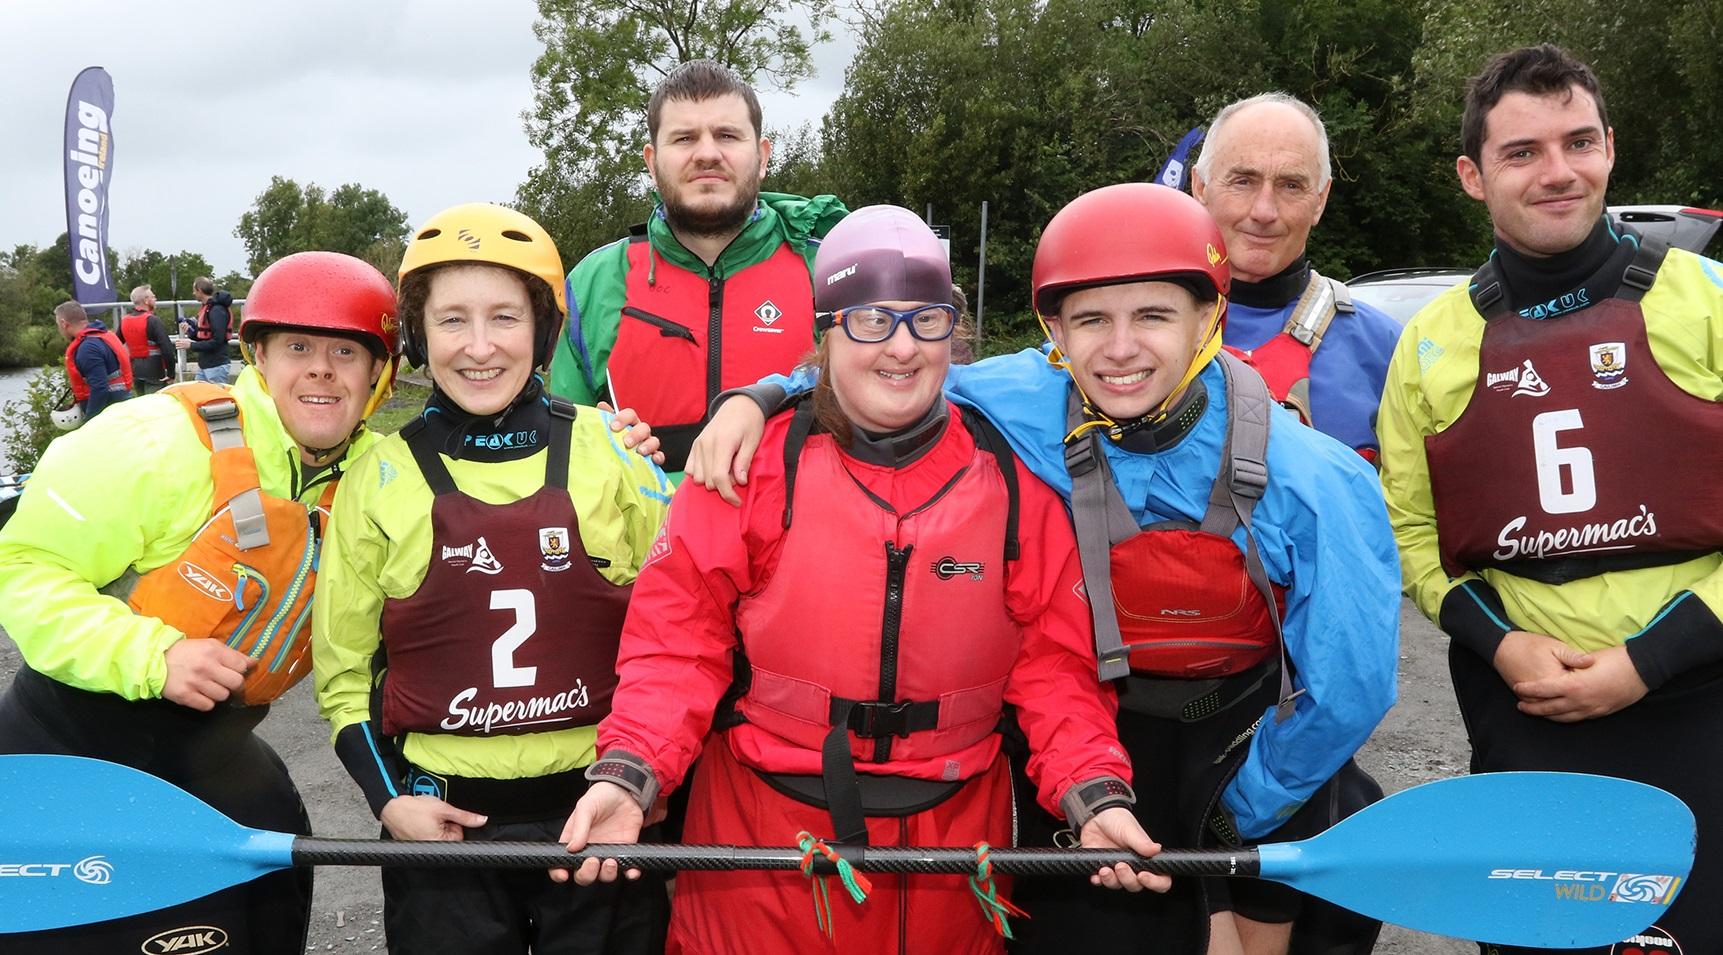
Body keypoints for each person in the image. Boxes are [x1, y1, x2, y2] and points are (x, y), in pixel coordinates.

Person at [687, 185, 1400, 955]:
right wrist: (755, 398)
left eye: (1153, 316)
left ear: (1208, 318)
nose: (1119, 349)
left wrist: (1240, 811)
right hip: (1101, 721)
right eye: (1092, 320)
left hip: (1250, 740)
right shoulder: (1027, 396)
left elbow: (1348, 685)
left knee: (1272, 935)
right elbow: (891, 371)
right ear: (1055, 332)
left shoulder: (1317, 480)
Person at [558, 205, 1165, 955]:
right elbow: (675, 645)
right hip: (762, 839)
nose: (902, 347)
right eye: (871, 320)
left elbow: (1056, 672)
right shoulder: (749, 467)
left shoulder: (1015, 477)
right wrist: (629, 773)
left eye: (927, 320)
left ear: (955, 332)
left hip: (952, 848)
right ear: (827, 334)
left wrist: (1092, 791)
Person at [1377, 44, 1723, 955]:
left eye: (1578, 142)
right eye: (1522, 151)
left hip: (1703, 704)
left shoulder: (1708, 300)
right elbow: (1410, 534)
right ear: (1471, 174)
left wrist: (1652, 658)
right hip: (1526, 715)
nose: (1558, 171)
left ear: (1609, 145)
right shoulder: (1427, 344)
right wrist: (1503, 643)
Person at [0, 251, 400, 953]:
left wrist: (618, 446)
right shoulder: (159, 440)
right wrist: (154, 653)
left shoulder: (385, 479)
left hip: (214, 757)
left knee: (272, 894)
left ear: (377, 377)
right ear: (259, 356)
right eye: (298, 348)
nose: (320, 369)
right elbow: (23, 565)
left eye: (346, 351)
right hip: (65, 749)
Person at [313, 202, 672, 955]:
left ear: (541, 330)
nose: (479, 346)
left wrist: (644, 788)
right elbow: (344, 678)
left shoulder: (616, 451)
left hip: (596, 812)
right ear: (417, 335)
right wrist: (389, 803)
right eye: (451, 320)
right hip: (443, 829)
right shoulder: (378, 474)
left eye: (504, 317)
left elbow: (675, 640)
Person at [548, 58, 847, 477]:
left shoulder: (830, 269)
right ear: (652, 163)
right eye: (685, 138)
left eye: (727, 135)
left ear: (762, 156)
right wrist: (598, 450)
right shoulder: (596, 281)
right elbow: (563, 459)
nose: (707, 153)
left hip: (800, 535)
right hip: (645, 540)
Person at [1190, 93, 1405, 461]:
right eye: (1243, 181)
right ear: (1200, 188)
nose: (1264, 211)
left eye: (1291, 185)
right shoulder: (1129, 337)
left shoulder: (1384, 349)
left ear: (1320, 200)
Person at [54, 299, 132, 420]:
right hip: (121, 403)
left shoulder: (87, 349)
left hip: (109, 413)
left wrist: (89, 420)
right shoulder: (102, 336)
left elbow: (100, 388)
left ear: (64, 323)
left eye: (59, 325)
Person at [119, 283, 178, 394]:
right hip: (155, 373)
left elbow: (116, 344)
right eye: (153, 297)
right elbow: (167, 348)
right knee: (155, 407)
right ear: (146, 301)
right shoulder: (153, 320)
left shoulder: (124, 321)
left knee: (142, 405)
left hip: (135, 372)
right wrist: (171, 373)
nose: (155, 299)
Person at [190, 275, 235, 384]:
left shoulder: (216, 310)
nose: (193, 293)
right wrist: (191, 332)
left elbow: (217, 340)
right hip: (205, 364)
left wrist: (191, 345)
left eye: (194, 291)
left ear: (199, 290)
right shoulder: (208, 308)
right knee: (198, 396)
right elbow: (204, 336)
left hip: (216, 366)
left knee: (217, 400)